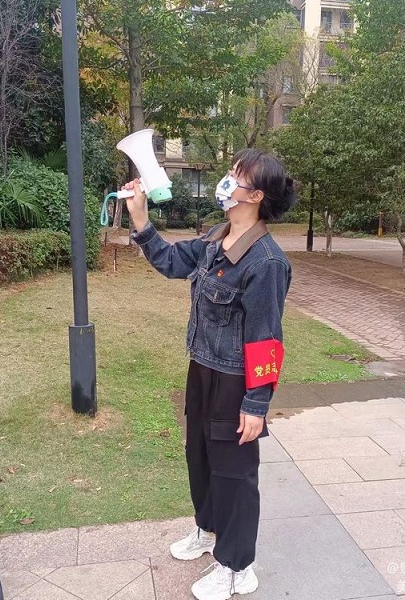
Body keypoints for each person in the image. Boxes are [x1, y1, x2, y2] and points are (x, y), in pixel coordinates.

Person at [124, 148, 297, 600]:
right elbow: (170, 261)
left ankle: (238, 568)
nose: (227, 180)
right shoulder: (215, 240)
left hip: (235, 381)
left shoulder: (265, 262)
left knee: (234, 474)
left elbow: (266, 340)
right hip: (201, 368)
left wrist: (256, 404)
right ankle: (208, 529)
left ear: (255, 196)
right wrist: (140, 218)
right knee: (199, 457)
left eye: (237, 175)